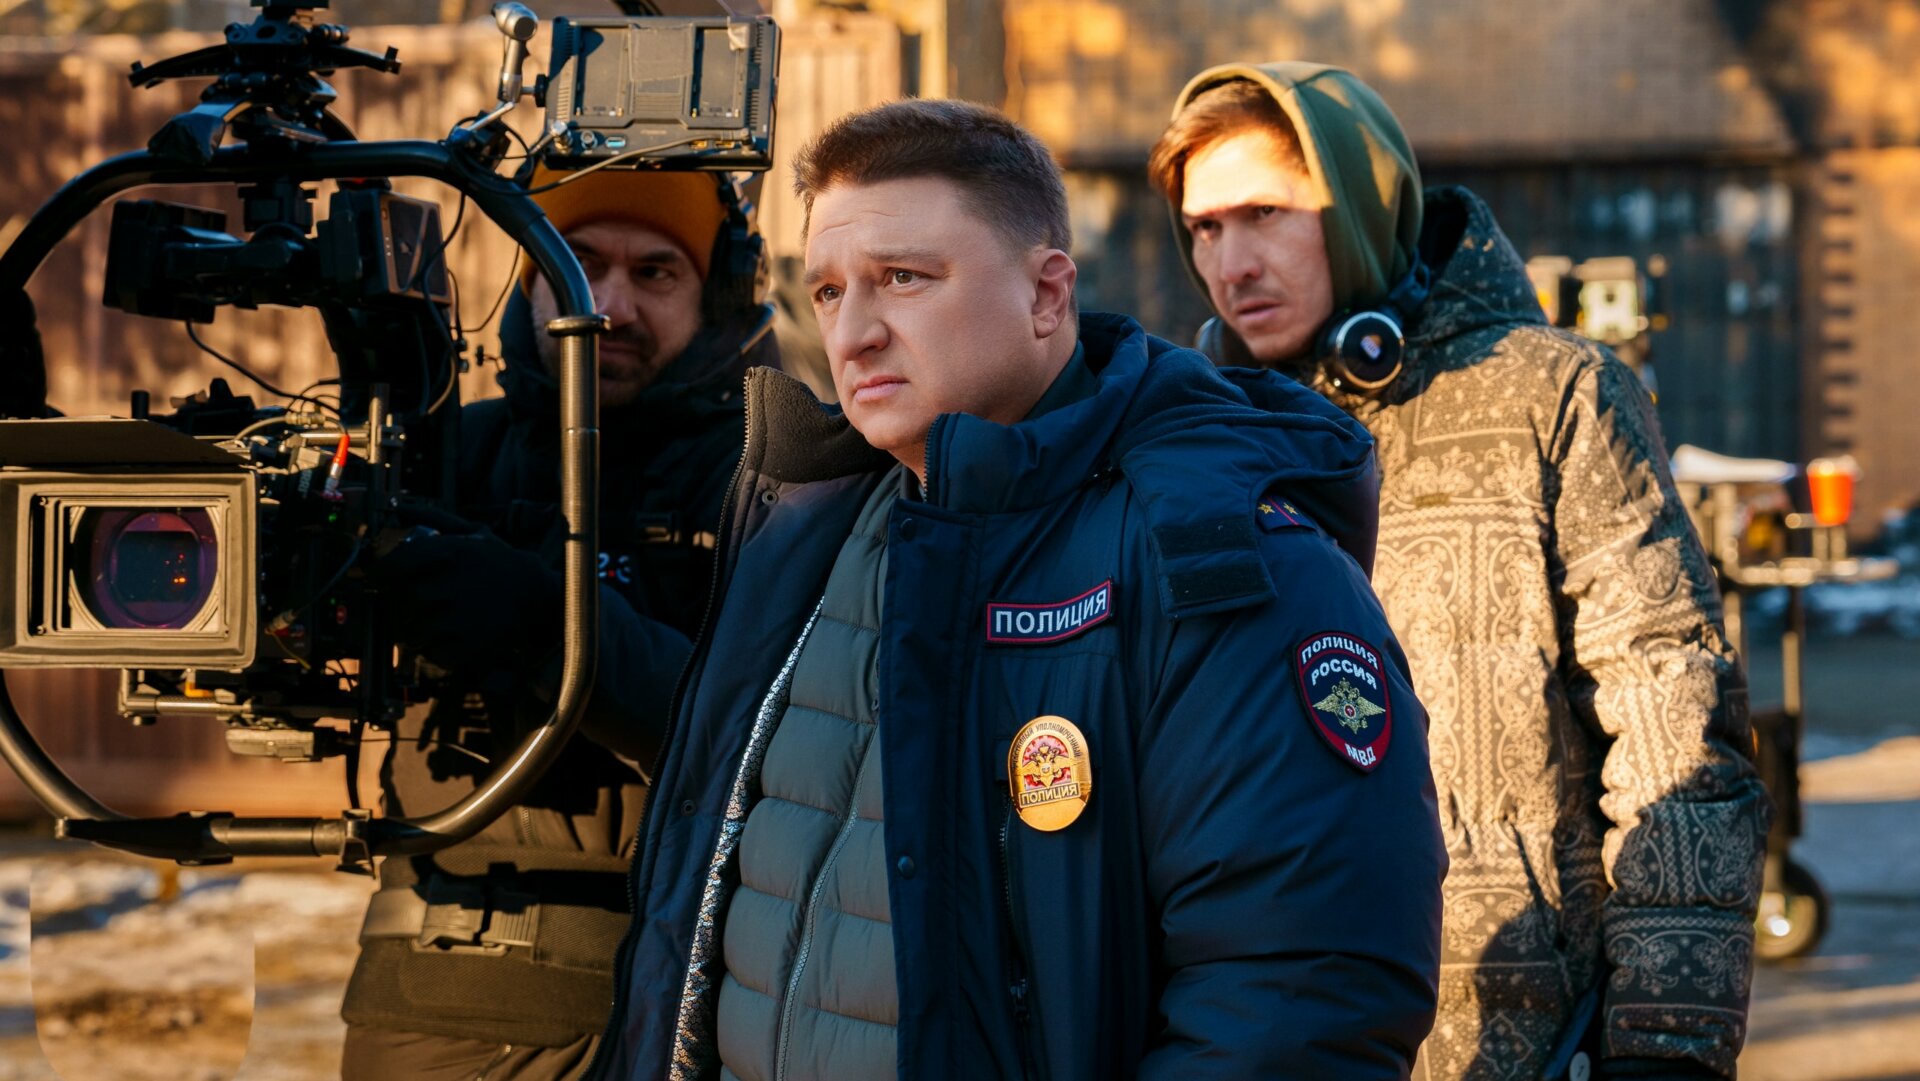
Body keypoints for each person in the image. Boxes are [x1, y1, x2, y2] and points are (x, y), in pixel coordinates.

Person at [582, 98, 1447, 1081]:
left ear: (1046, 295)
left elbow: (1301, 997)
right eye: (826, 290)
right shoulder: (799, 529)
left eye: (903, 279)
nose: (852, 333)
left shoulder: (1219, 558)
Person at [1149, 62, 1769, 1081]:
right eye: (1204, 228)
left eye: (1264, 214)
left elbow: (1676, 737)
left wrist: (1666, 1045)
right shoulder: (1199, 445)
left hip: (1514, 1034)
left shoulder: (1556, 398)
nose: (1231, 262)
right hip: (1265, 1036)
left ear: (1359, 206)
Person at [338, 164, 778, 1081]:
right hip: (425, 988)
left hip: (674, 995)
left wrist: (545, 625)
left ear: (718, 296)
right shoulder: (448, 454)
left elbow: (763, 733)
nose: (608, 306)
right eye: (576, 264)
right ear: (530, 282)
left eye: (655, 272)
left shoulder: (771, 481)